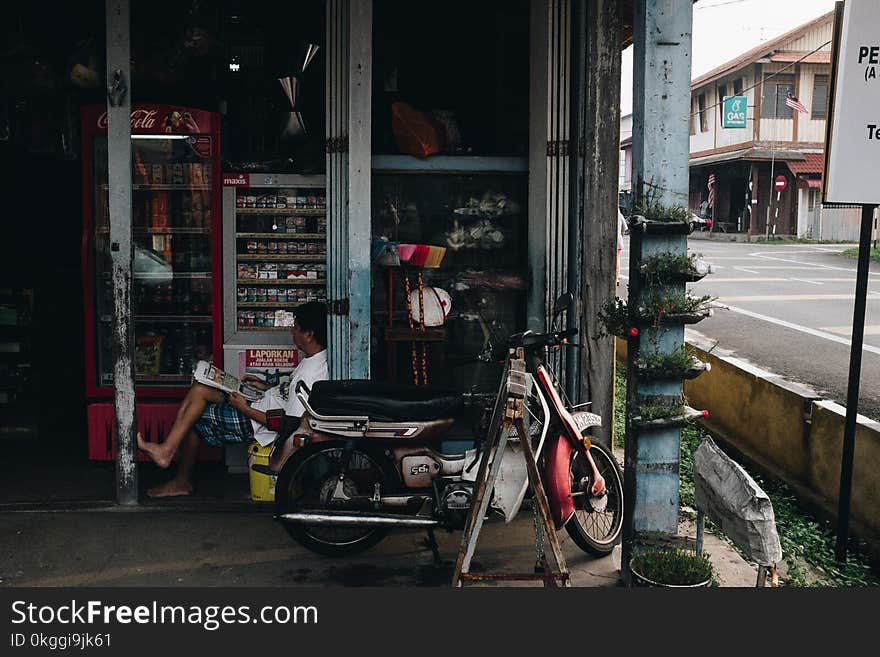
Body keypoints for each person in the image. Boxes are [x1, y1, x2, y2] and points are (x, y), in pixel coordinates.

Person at [137, 301, 328, 497]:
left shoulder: (311, 373)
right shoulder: (315, 359)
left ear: (309, 334)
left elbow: (287, 424)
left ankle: (172, 465)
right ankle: (172, 462)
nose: (292, 331)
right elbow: (290, 394)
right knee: (200, 388)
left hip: (255, 421)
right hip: (260, 402)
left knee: (194, 415)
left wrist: (243, 408)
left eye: (295, 327)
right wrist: (266, 387)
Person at [616, 208, 627, 284]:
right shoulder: (620, 215)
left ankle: (616, 277)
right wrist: (621, 235)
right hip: (618, 240)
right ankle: (616, 277)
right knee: (617, 259)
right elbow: (624, 228)